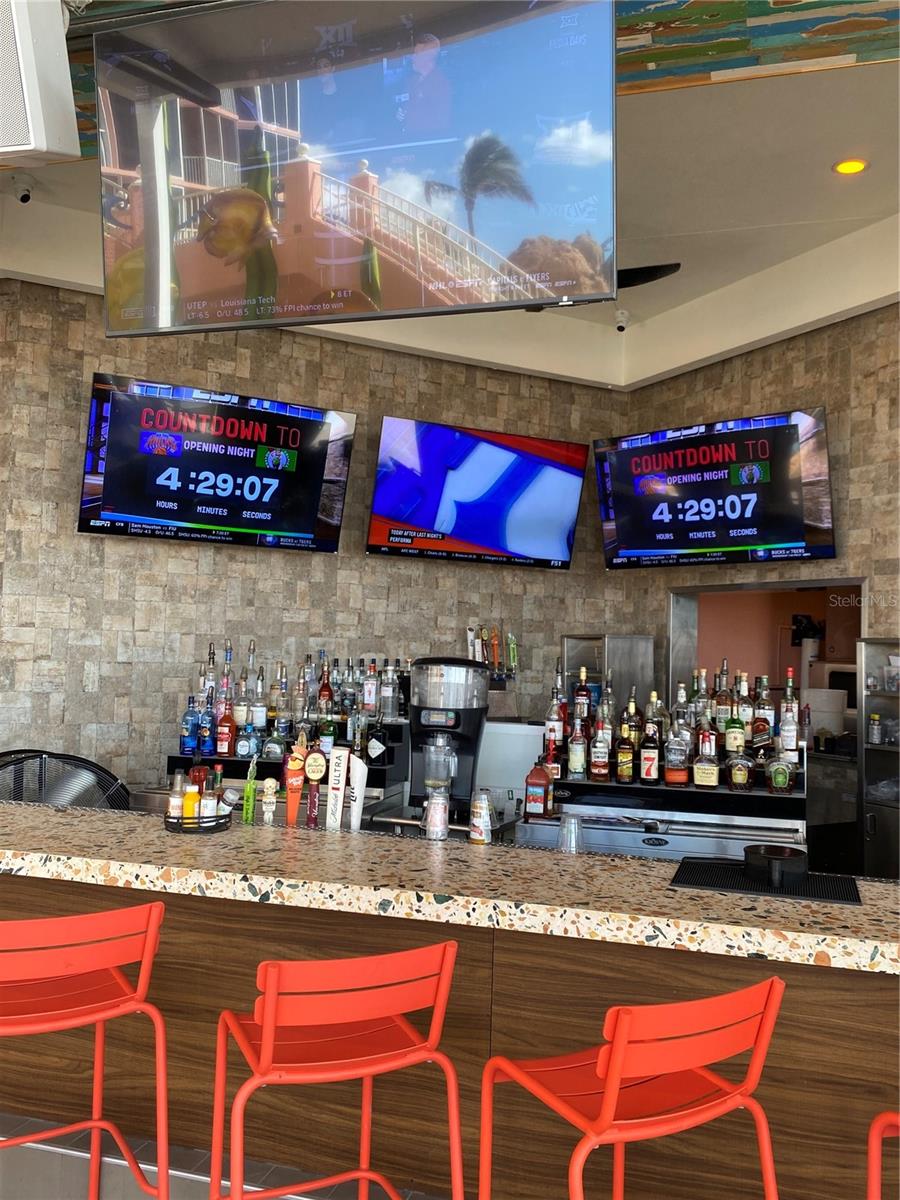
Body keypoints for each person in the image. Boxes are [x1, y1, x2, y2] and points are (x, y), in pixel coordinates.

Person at [400, 33, 451, 136]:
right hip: (409, 138)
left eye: (416, 54)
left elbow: (441, 121)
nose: (412, 58)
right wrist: (401, 115)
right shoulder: (412, 82)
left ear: (428, 57)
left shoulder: (440, 83)